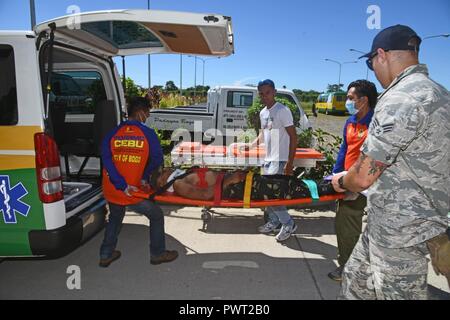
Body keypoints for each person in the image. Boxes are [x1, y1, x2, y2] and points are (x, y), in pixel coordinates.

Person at [331, 25, 450, 299]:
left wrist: (341, 181)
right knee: (356, 285)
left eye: (370, 62)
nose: (372, 69)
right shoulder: (441, 94)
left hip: (400, 230)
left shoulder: (401, 97)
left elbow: (362, 177)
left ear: (381, 55)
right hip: (407, 220)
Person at [99, 97, 178, 268]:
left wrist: (120, 183)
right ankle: (157, 253)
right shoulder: (148, 134)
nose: (147, 117)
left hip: (112, 189)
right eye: (147, 113)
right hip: (131, 192)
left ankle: (106, 254)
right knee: (156, 215)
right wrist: (142, 176)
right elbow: (157, 159)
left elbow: (106, 159)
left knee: (115, 216)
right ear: (141, 112)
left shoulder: (112, 133)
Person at [327, 80, 378, 282]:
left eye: (350, 98)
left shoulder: (378, 123)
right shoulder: (350, 121)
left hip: (371, 183)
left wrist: (358, 183)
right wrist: (335, 176)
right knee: (345, 223)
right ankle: (348, 265)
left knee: (364, 227)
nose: (347, 101)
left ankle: (357, 269)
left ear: (364, 100)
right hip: (349, 180)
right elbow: (344, 150)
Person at [241, 79, 298, 242]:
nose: (264, 96)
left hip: (280, 159)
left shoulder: (282, 110)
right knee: (268, 194)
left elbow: (294, 137)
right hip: (268, 158)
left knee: (273, 194)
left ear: (274, 92)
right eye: (261, 94)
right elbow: (262, 133)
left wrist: (290, 162)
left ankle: (288, 223)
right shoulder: (263, 113)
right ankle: (274, 221)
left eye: (267, 92)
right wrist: (251, 146)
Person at [150, 167, 337, 201]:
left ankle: (329, 182)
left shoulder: (181, 175)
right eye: (162, 171)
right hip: (239, 187)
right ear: (161, 181)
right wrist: (229, 180)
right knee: (289, 190)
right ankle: (332, 187)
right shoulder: (179, 185)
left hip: (243, 181)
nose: (166, 168)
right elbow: (206, 195)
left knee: (287, 180)